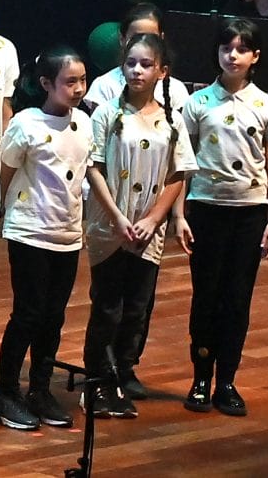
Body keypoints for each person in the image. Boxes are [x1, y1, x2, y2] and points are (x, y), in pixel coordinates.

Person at [180, 16, 268, 416]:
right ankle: (200, 377)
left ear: (255, 56)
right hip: (207, 209)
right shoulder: (198, 103)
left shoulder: (266, 106)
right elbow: (182, 164)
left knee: (237, 299)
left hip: (249, 214)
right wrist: (180, 213)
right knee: (205, 296)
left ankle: (227, 380)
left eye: (241, 49)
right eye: (226, 48)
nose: (233, 55)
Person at [83, 29, 189, 419]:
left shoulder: (172, 121)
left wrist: (154, 218)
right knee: (107, 305)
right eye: (131, 63)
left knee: (137, 307)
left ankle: (124, 372)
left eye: (146, 64)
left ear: (162, 71)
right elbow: (93, 167)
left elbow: (178, 174)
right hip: (112, 225)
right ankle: (98, 379)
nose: (137, 71)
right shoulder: (108, 114)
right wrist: (117, 216)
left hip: (148, 229)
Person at [0, 47, 90, 432]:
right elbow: (6, 171)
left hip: (67, 234)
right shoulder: (27, 124)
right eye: (69, 82)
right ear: (47, 84)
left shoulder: (84, 123)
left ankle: (40, 389)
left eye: (82, 80)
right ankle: (4, 393)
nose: (78, 88)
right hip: (30, 230)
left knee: (54, 316)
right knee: (28, 313)